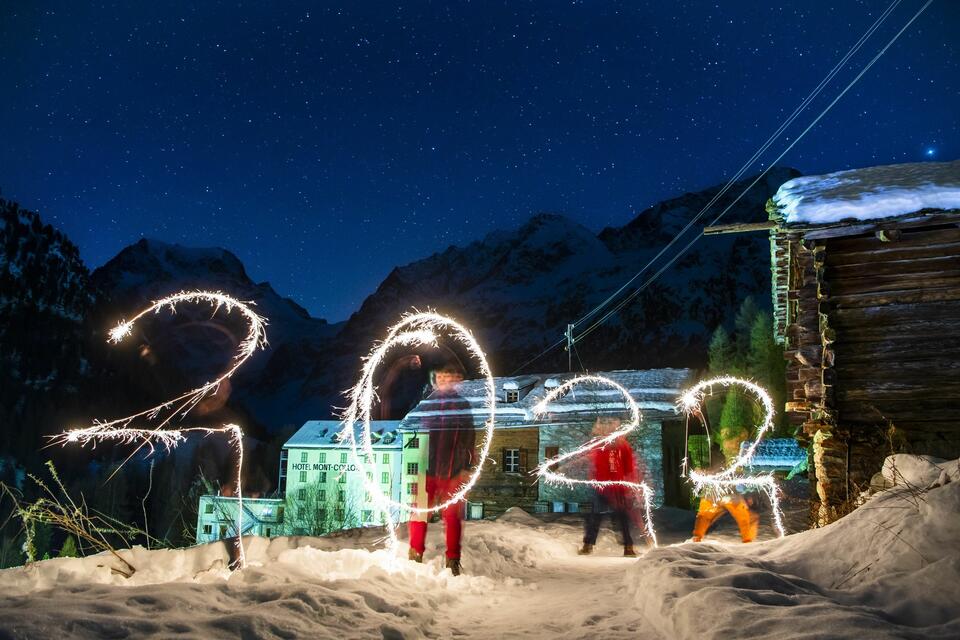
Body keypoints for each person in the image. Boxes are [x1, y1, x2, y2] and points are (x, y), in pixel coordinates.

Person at [407, 362, 476, 576]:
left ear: (457, 380)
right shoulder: (428, 403)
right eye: (440, 377)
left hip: (453, 471)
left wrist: (467, 467)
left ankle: (453, 560)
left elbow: (470, 438)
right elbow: (417, 433)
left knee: (452, 517)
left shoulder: (463, 406)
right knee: (419, 514)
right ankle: (414, 554)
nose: (443, 380)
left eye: (448, 377)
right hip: (428, 469)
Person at [578, 416, 641, 557]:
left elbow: (628, 466)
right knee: (597, 516)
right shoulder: (600, 445)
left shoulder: (622, 445)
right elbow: (593, 462)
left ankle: (628, 546)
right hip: (602, 486)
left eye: (610, 427)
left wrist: (628, 483)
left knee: (619, 516)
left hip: (615, 487)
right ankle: (589, 545)